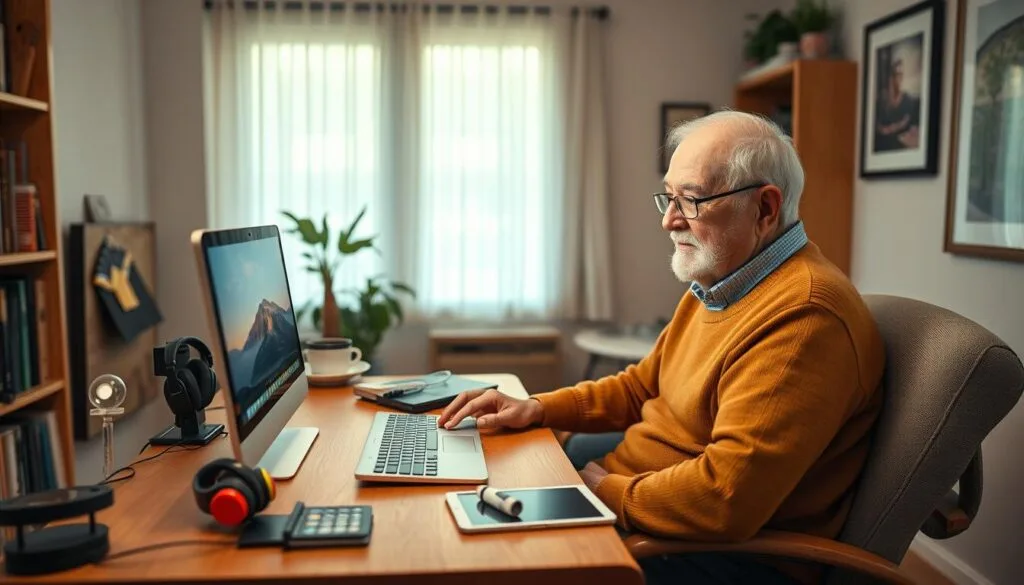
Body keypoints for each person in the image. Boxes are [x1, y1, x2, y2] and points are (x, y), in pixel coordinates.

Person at [438, 109, 886, 585]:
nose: (670, 221)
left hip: (708, 555)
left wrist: (601, 491)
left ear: (765, 208)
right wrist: (534, 408)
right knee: (467, 492)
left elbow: (723, 499)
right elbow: (640, 387)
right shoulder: (725, 283)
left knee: (474, 562)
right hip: (639, 502)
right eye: (669, 198)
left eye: (691, 200)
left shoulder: (803, 318)